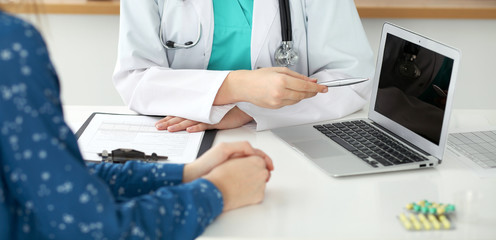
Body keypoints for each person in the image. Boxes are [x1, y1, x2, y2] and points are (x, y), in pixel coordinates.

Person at [0, 9, 274, 240]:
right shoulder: (11, 45)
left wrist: (185, 174)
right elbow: (95, 229)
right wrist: (217, 192)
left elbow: (59, 183)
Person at [113, 0, 375, 133]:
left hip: (282, 136)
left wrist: (246, 109)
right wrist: (236, 86)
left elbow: (352, 78)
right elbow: (135, 78)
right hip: (179, 135)